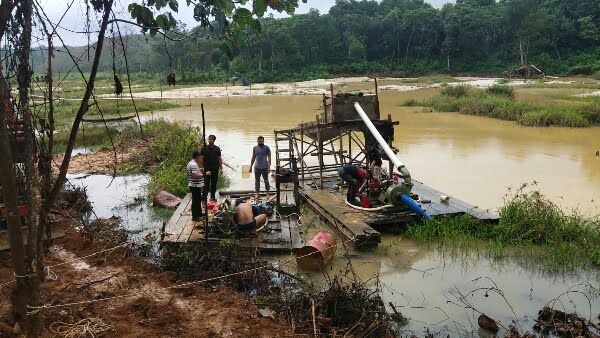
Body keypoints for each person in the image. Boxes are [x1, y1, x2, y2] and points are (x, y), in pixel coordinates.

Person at [200, 134, 223, 202]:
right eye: (209, 139)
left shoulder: (217, 149)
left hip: (215, 170)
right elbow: (201, 159)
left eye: (211, 139)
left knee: (213, 184)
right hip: (206, 170)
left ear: (214, 140)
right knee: (206, 185)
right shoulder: (204, 148)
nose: (209, 140)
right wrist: (202, 169)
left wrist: (221, 169)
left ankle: (212, 197)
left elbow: (219, 159)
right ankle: (204, 199)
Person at [249, 136, 271, 200]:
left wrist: (269, 167)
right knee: (257, 181)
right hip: (257, 167)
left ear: (263, 141)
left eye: (262, 141)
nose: (260, 142)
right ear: (257, 141)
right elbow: (253, 157)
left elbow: (269, 158)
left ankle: (267, 193)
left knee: (266, 181)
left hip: (265, 167)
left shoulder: (267, 148)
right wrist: (250, 166)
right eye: (259, 141)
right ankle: (257, 193)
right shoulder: (255, 148)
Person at [187, 151, 204, 222]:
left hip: (195, 185)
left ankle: (199, 213)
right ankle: (195, 216)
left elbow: (194, 172)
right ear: (197, 157)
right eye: (200, 156)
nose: (200, 158)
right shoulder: (193, 164)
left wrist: (199, 170)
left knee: (198, 199)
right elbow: (194, 176)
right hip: (195, 185)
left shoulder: (191, 163)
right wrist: (204, 175)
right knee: (196, 201)